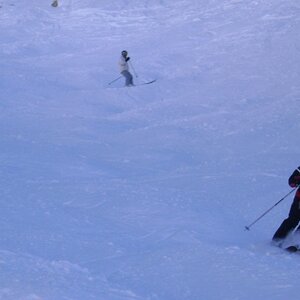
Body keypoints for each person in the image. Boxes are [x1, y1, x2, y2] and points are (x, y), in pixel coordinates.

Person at [272, 166, 300, 244]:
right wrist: (297, 180)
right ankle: (278, 239)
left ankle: (297, 242)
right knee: (292, 219)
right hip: (299, 200)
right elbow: (291, 181)